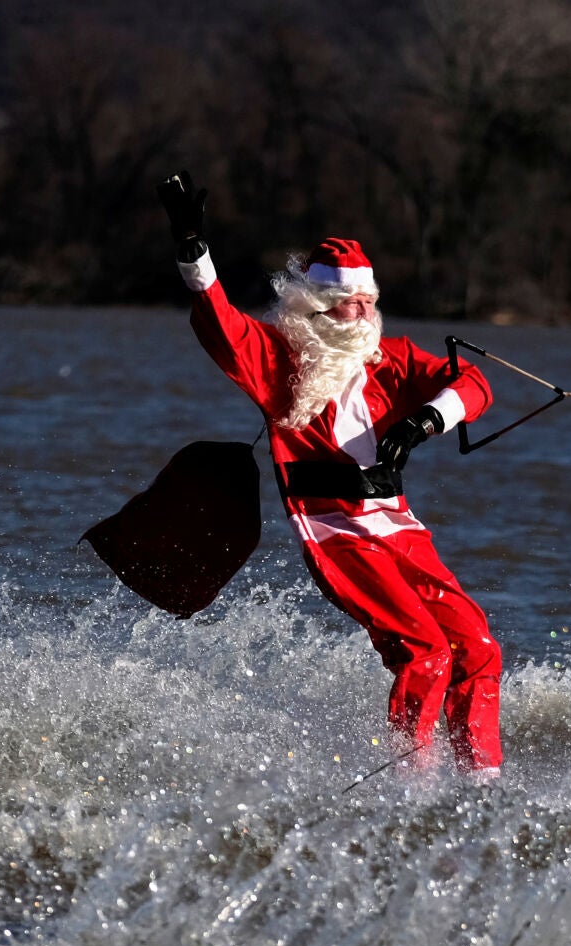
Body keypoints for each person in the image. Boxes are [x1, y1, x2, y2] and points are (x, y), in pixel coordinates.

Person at [156, 170, 503, 777]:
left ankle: (482, 786)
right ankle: (409, 787)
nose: (367, 313)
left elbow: (473, 385)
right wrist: (195, 254)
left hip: (398, 527)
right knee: (423, 654)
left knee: (476, 647)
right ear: (319, 304)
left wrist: (422, 423)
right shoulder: (277, 359)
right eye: (354, 302)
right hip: (334, 533)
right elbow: (219, 324)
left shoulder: (390, 360)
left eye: (371, 301)